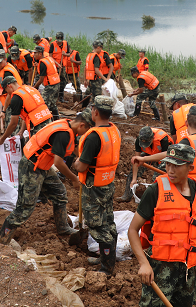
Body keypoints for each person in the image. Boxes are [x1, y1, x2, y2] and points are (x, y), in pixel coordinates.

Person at [127, 144, 196, 307]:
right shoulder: (156, 190)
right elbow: (132, 230)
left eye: (176, 166)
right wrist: (143, 264)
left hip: (191, 271)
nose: (170, 170)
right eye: (168, 164)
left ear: (190, 167)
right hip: (161, 269)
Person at [0, 109, 95, 244]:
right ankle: (2, 241)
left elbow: (75, 147)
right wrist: (73, 178)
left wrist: (82, 161)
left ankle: (63, 228)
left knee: (59, 194)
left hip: (43, 166)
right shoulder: (63, 134)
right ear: (82, 125)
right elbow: (58, 162)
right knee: (24, 208)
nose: (87, 133)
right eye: (88, 129)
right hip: (31, 167)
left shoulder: (67, 125)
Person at [72, 96, 121, 274]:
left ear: (95, 112)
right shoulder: (114, 130)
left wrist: (76, 163)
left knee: (97, 226)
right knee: (108, 220)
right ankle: (106, 257)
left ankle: (107, 268)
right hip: (108, 183)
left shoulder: (94, 137)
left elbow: (82, 165)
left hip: (94, 187)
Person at [116, 126, 174, 202]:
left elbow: (165, 155)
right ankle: (127, 195)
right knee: (133, 171)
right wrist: (134, 179)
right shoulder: (138, 140)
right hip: (149, 154)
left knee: (158, 177)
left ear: (152, 138)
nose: (144, 144)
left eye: (146, 142)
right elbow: (136, 160)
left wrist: (144, 159)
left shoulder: (163, 139)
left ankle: (158, 199)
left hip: (165, 158)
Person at [0, 75, 53, 145]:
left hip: (38, 126)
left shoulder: (16, 98)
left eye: (6, 90)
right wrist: (21, 131)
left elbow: (13, 124)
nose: (8, 93)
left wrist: (3, 139)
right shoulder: (29, 89)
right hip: (48, 120)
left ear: (9, 86)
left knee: (30, 153)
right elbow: (28, 112)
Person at [0, 49, 23, 125]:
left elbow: (10, 92)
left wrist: (4, 110)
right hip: (9, 100)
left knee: (12, 125)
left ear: (5, 59)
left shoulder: (7, 72)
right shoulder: (3, 69)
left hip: (12, 101)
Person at [32, 45, 61, 119]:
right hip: (56, 83)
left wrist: (34, 88)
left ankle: (45, 121)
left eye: (35, 53)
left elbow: (41, 79)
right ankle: (56, 119)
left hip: (51, 86)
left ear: (40, 54)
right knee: (52, 104)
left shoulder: (42, 63)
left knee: (43, 104)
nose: (34, 55)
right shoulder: (48, 59)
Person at [83, 40, 113, 108]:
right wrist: (105, 79)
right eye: (101, 48)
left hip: (93, 78)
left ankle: (87, 108)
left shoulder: (90, 55)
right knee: (96, 97)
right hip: (96, 79)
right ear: (98, 47)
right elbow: (95, 70)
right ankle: (90, 110)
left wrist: (107, 78)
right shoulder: (95, 56)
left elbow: (111, 66)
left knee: (93, 95)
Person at [49, 31, 69, 101]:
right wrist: (57, 64)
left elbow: (69, 54)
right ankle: (54, 96)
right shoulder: (52, 45)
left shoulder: (66, 43)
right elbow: (50, 56)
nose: (59, 42)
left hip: (63, 66)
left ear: (63, 38)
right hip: (55, 67)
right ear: (56, 38)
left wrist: (65, 54)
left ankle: (61, 96)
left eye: (61, 39)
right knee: (55, 81)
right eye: (58, 40)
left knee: (63, 81)